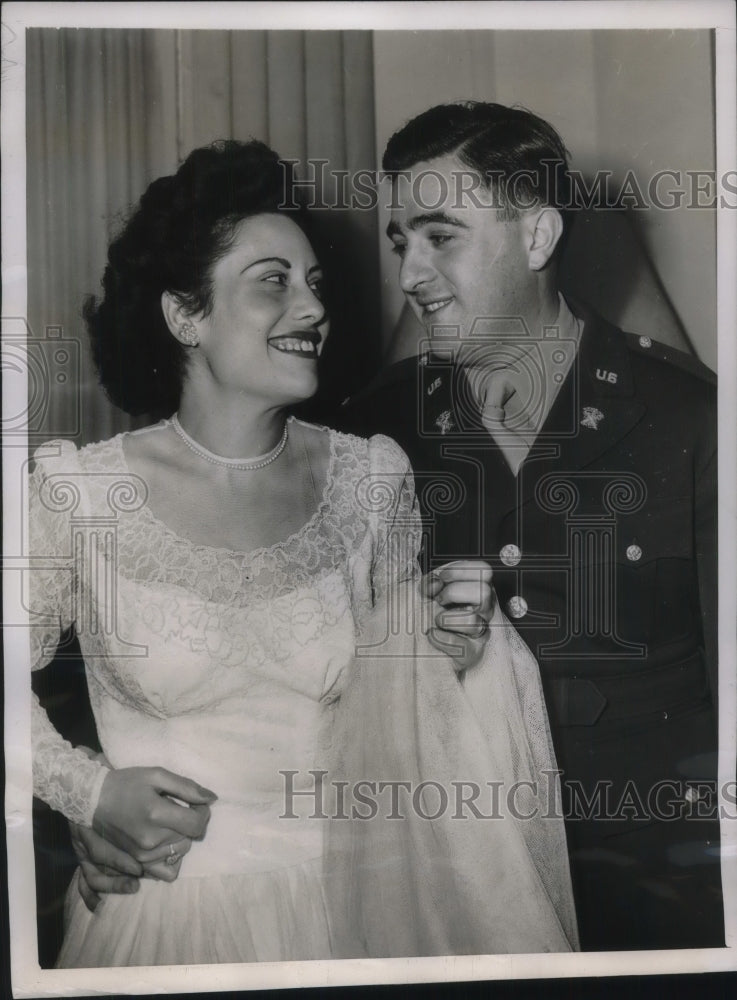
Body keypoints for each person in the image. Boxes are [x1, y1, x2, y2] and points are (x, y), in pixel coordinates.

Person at [29, 138, 578, 966]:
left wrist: (451, 648)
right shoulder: (77, 493)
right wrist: (89, 793)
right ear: (185, 316)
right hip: (165, 920)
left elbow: (405, 709)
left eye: (314, 284)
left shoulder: (371, 478)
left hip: (358, 908)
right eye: (272, 284)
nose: (313, 308)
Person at [339, 102, 722, 952]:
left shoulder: (689, 418)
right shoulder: (375, 435)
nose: (410, 273)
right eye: (401, 241)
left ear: (538, 236)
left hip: (661, 881)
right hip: (455, 878)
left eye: (442, 236)